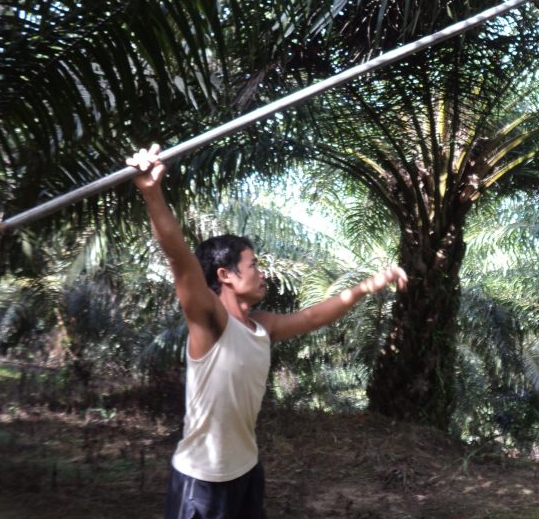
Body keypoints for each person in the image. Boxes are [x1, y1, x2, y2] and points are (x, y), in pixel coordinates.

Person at [128, 144, 407, 519]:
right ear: (225, 275)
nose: (262, 273)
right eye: (253, 265)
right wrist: (151, 191)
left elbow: (311, 318)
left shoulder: (261, 326)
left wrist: (367, 287)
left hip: (246, 470)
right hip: (202, 480)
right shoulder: (209, 321)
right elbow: (180, 259)